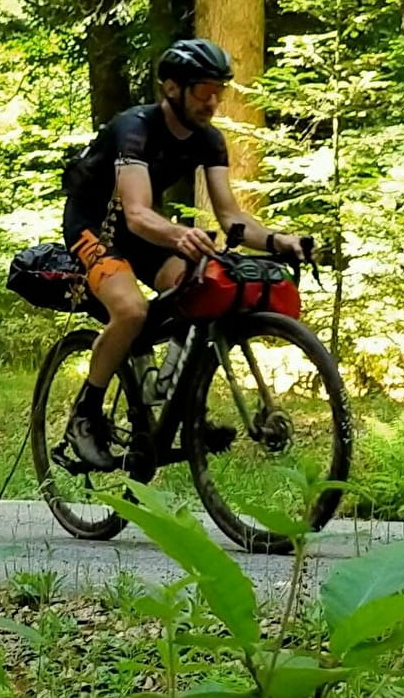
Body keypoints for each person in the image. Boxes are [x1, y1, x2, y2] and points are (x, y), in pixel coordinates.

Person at [59, 38, 310, 471]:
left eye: (219, 90)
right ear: (172, 88)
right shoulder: (133, 128)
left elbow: (230, 214)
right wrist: (178, 234)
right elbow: (135, 214)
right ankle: (85, 414)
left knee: (204, 284)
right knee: (132, 311)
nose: (213, 101)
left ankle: (179, 404)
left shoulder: (208, 140)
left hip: (142, 230)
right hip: (96, 227)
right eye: (202, 90)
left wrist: (276, 240)